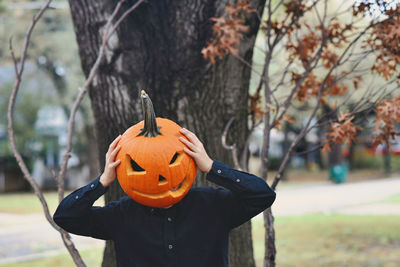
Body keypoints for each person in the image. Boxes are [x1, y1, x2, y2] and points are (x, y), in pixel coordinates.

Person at [53, 128, 276, 267]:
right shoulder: (120, 215)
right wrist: (102, 181)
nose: (159, 179)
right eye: (140, 167)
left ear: (189, 163)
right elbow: (65, 216)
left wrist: (211, 167)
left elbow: (262, 195)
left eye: (172, 162)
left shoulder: (214, 206)